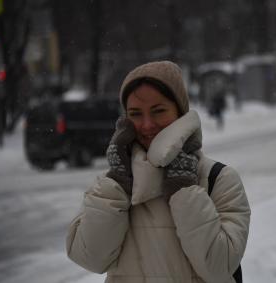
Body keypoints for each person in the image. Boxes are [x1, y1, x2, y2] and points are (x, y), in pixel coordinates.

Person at [66, 61, 251, 283]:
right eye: (135, 113)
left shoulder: (219, 179)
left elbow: (218, 267)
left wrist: (184, 190)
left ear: (180, 112)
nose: (146, 125)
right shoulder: (111, 185)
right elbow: (91, 258)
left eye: (159, 111)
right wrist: (117, 183)